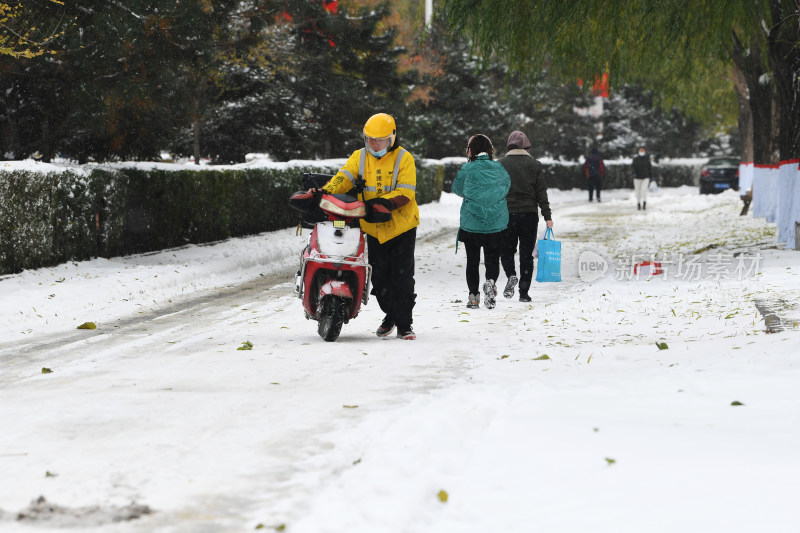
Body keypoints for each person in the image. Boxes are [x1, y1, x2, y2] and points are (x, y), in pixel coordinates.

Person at [318, 113, 419, 340]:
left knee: (402, 278)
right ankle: (391, 314)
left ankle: (404, 325)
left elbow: (406, 193)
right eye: (371, 138)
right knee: (380, 278)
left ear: (392, 138)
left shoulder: (404, 159)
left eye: (380, 139)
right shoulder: (359, 157)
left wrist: (383, 203)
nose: (374, 143)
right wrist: (326, 190)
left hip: (401, 227)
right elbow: (343, 177)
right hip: (372, 228)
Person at [452, 134, 510, 310]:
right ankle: (490, 284)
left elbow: (457, 188)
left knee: (473, 261)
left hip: (472, 223)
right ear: (490, 150)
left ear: (471, 150)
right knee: (492, 259)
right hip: (496, 223)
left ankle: (474, 297)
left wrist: (474, 196)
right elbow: (506, 187)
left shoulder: (467, 169)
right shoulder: (500, 168)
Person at [497, 131, 554, 303]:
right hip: (529, 215)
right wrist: (547, 216)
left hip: (506, 214)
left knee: (506, 250)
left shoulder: (500, 165)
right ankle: (523, 291)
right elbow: (541, 193)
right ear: (526, 146)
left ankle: (511, 275)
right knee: (526, 254)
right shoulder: (534, 165)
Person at [631, 146, 653, 210]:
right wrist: (634, 173)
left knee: (644, 190)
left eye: (643, 150)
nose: (641, 152)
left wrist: (651, 176)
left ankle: (644, 202)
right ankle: (638, 203)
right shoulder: (635, 159)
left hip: (645, 177)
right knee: (637, 191)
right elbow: (633, 167)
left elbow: (650, 168)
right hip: (637, 178)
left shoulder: (647, 159)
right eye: (640, 150)